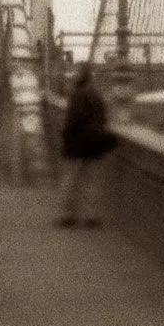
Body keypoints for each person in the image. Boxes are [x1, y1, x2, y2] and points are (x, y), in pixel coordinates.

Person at [58, 64, 115, 227]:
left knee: (71, 181)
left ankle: (69, 215)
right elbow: (103, 119)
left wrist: (65, 133)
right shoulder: (97, 96)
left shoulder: (76, 96)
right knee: (91, 181)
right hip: (95, 144)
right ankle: (92, 217)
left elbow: (73, 120)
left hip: (76, 145)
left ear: (78, 78)